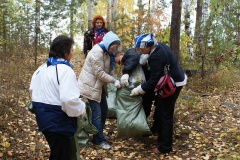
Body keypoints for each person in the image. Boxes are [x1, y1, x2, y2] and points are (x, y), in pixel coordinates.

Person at [29, 35, 86, 160]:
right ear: (65, 53)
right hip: (58, 122)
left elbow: (32, 91)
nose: (72, 54)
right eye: (71, 50)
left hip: (44, 119)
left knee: (57, 152)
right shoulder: (65, 70)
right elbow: (68, 100)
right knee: (61, 155)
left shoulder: (42, 68)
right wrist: (81, 108)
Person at [130, 33, 187, 154]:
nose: (140, 51)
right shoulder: (158, 47)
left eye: (141, 49)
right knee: (160, 109)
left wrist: (138, 89)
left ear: (148, 46)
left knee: (166, 114)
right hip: (172, 80)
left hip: (173, 85)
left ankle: (165, 147)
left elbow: (154, 80)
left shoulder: (156, 56)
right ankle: (161, 136)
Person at [78, 31, 121, 149]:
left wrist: (117, 79)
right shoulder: (97, 52)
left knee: (104, 109)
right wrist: (113, 81)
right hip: (90, 87)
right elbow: (100, 73)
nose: (114, 49)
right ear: (108, 43)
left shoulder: (107, 53)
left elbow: (109, 70)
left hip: (98, 86)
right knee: (97, 113)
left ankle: (99, 134)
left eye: (116, 48)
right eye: (113, 47)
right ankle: (98, 140)